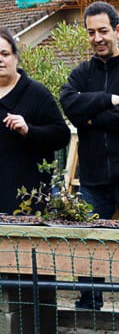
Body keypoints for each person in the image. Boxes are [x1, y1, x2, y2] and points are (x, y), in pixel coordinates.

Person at [60, 2, 119, 314]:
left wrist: (91, 118)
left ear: (117, 30)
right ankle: (89, 303)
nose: (97, 37)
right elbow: (68, 102)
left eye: (103, 30)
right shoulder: (81, 73)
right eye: (91, 32)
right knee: (91, 242)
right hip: (93, 176)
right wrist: (106, 100)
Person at [0, 27, 70, 215]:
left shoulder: (35, 94)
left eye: (4, 54)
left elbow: (62, 136)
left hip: (27, 202)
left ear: (15, 57)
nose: (0, 59)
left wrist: (28, 131)